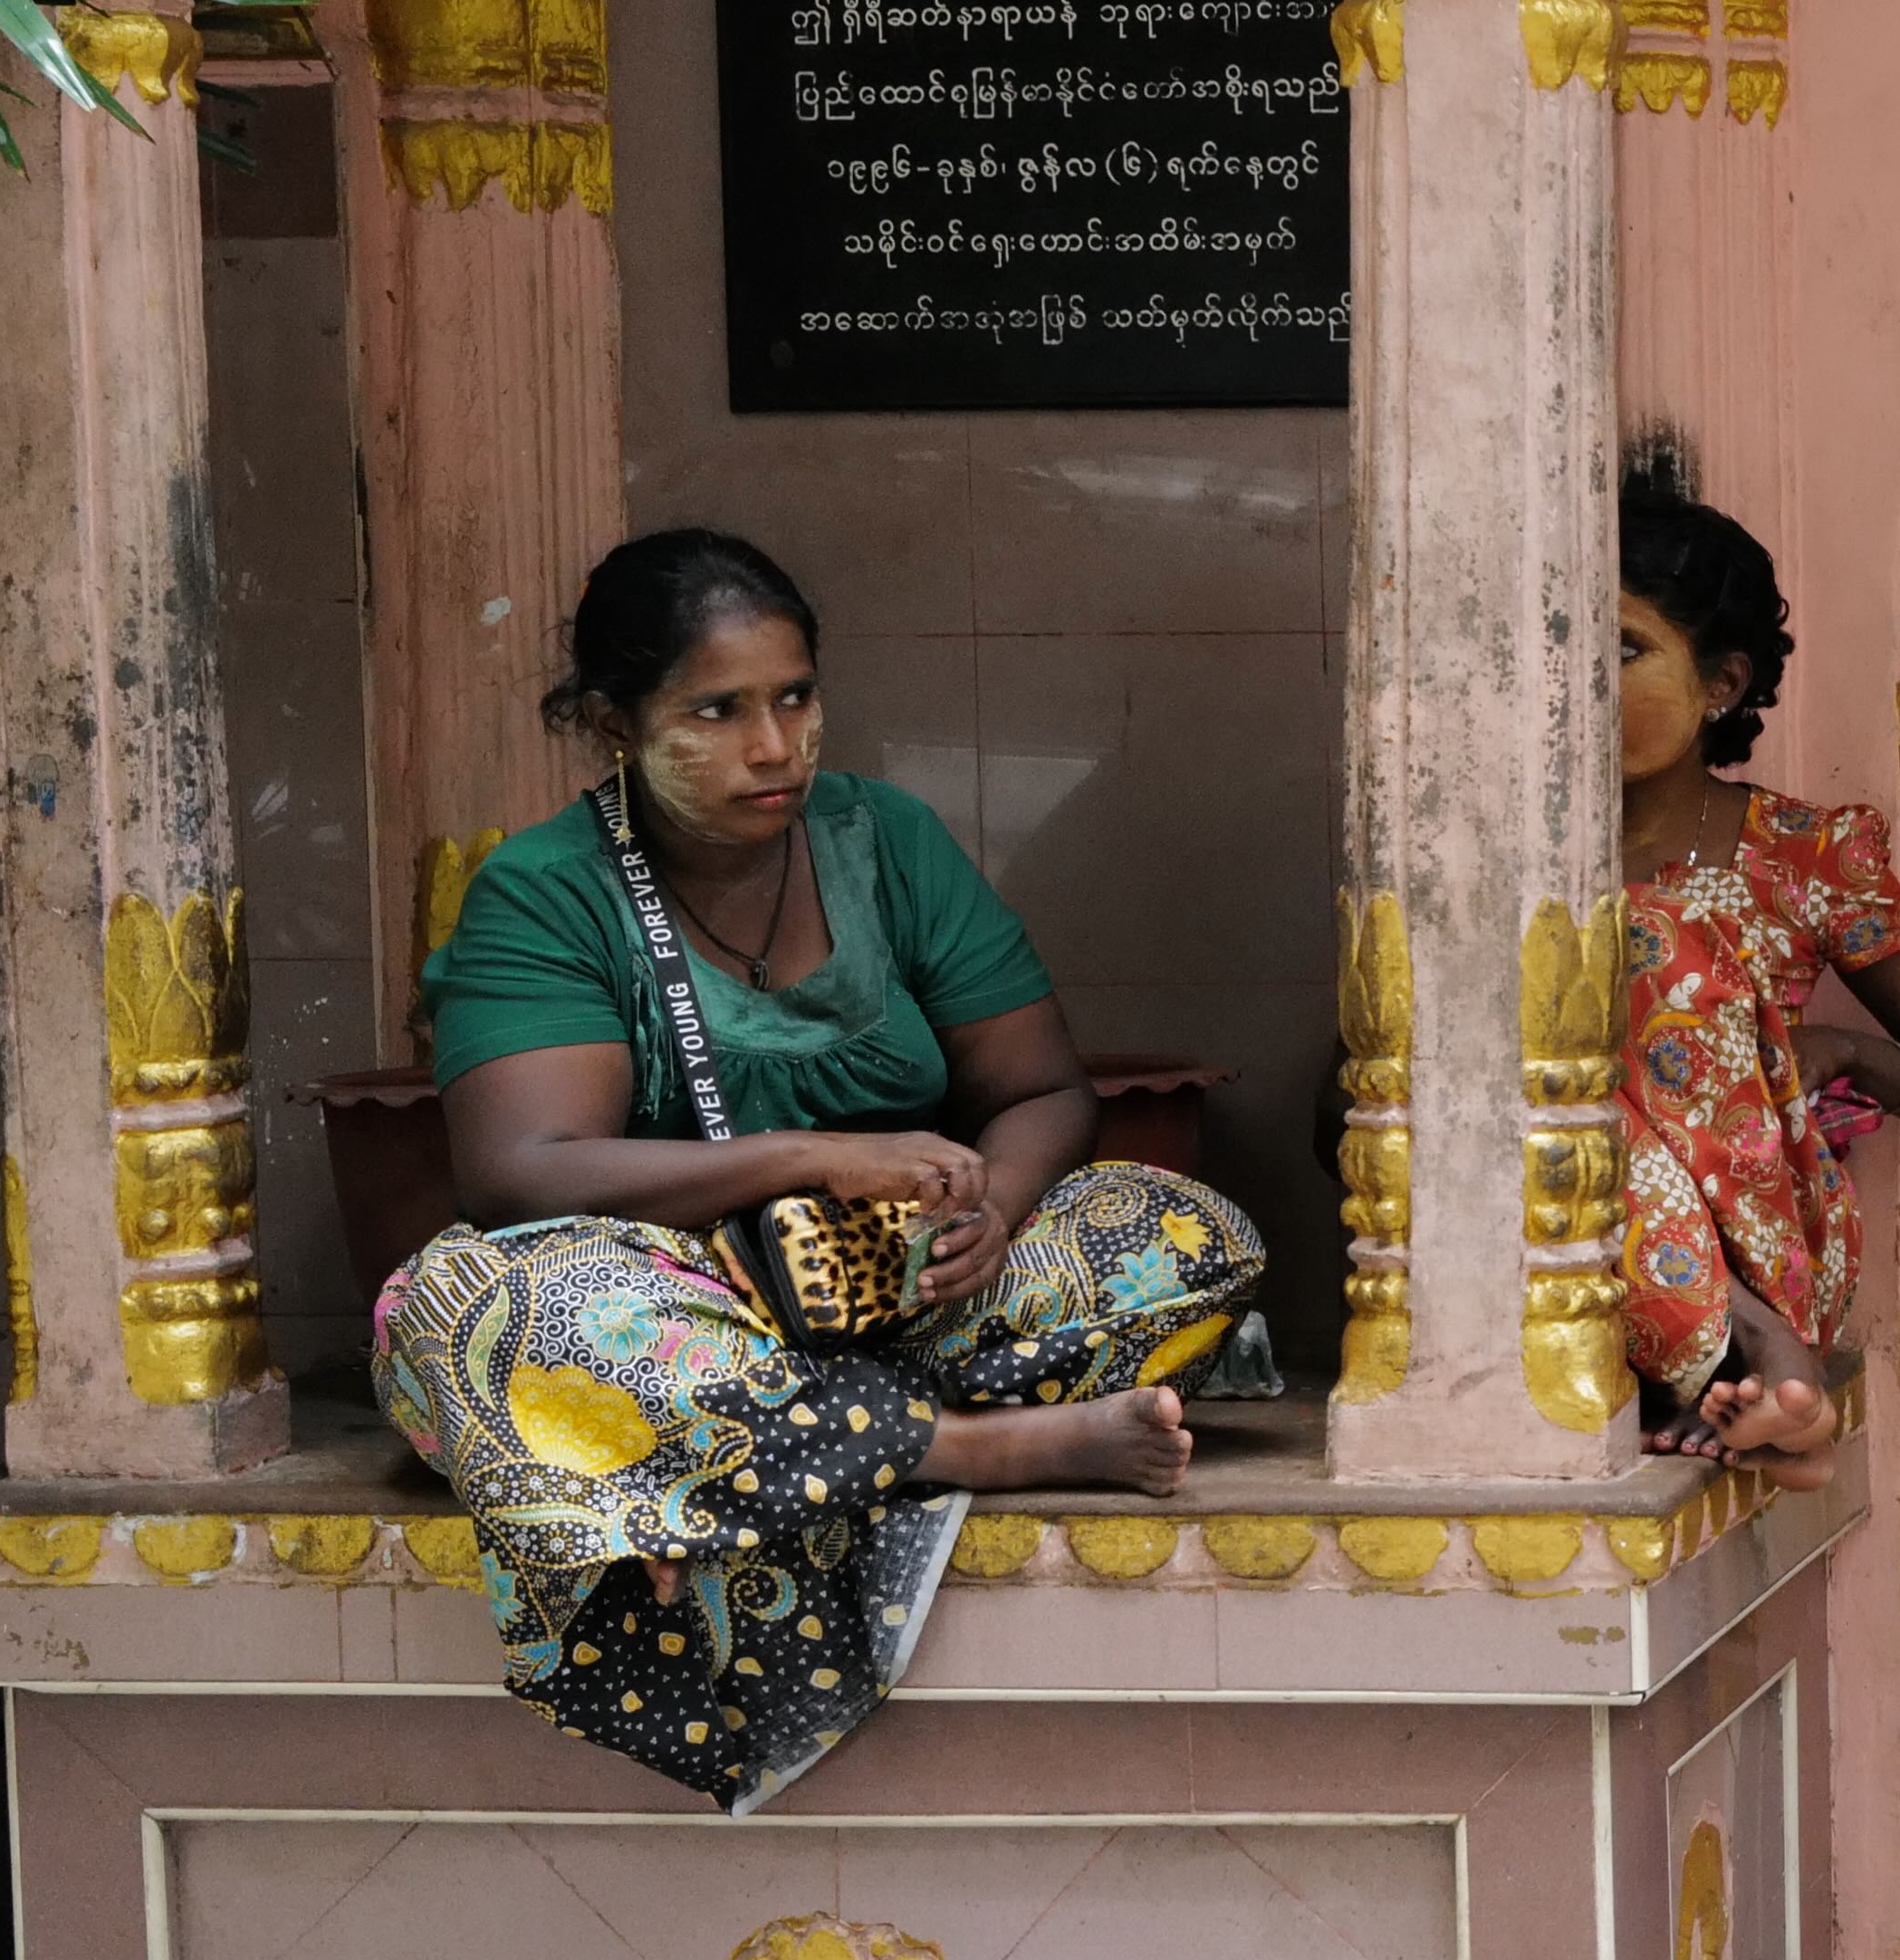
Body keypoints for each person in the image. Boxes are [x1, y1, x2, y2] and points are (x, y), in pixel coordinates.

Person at [379, 529, 1266, 1812]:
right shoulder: (545, 891)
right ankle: (967, 1450)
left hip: (907, 1305)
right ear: (611, 722)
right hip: (669, 1311)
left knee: (1175, 1228)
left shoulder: (884, 839)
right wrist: (808, 1157)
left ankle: (716, 1474)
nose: (774, 745)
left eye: (794, 697)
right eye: (717, 710)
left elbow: (1040, 1090)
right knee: (489, 1310)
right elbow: (521, 1171)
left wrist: (996, 1214)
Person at [1611, 453, 1900, 1464]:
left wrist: (1843, 1051)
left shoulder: (1807, 857)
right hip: (1557, 1241)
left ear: (1724, 682)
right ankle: (1745, 1364)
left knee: (1659, 952)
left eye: (1621, 649)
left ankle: (1744, 1341)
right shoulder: (1495, 862)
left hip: (1761, 1240)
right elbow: (1349, 1108)